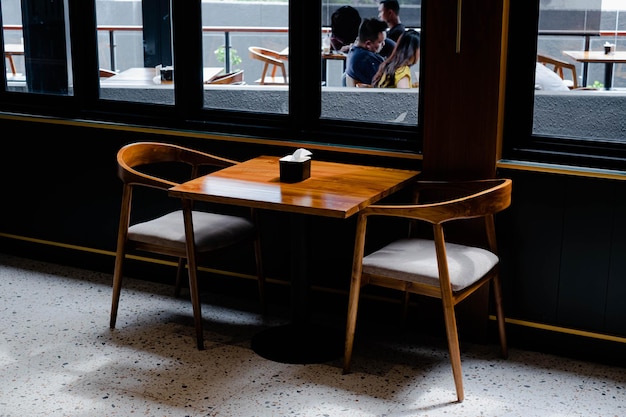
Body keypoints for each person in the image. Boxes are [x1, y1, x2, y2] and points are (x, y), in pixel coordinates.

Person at [344, 17, 395, 86]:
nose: (384, 44)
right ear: (368, 44)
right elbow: (387, 84)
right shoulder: (365, 60)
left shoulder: (353, 52)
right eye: (380, 42)